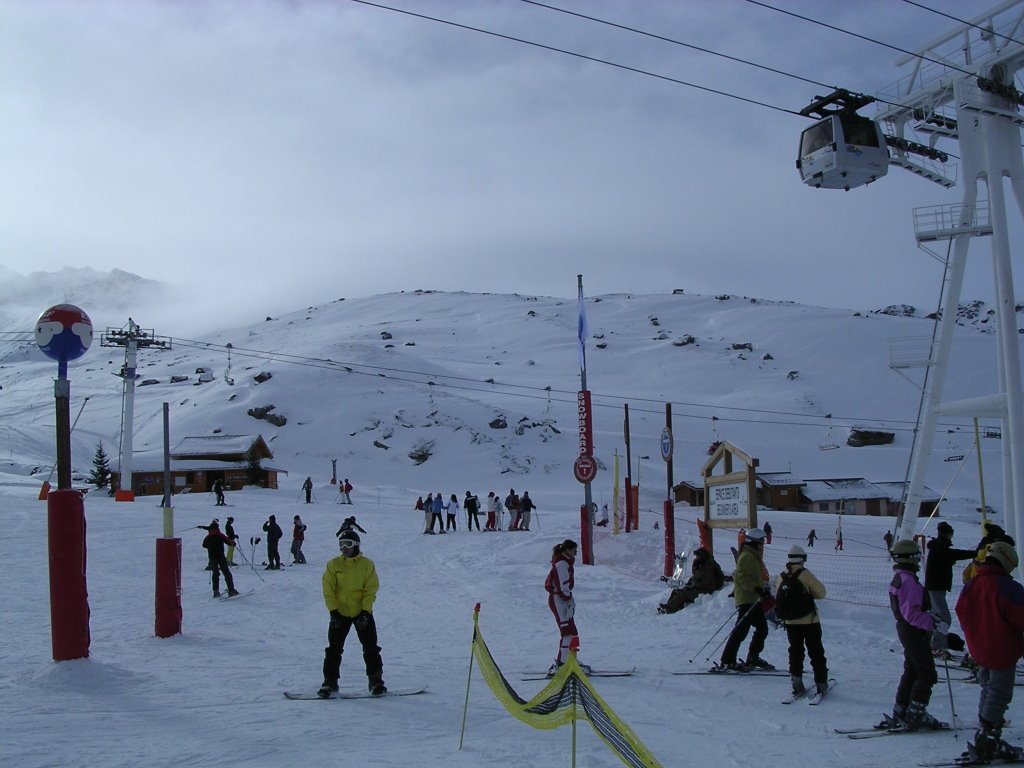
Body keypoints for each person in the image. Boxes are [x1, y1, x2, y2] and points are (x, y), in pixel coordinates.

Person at [956, 542, 1024, 760]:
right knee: (999, 693)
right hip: (1002, 648)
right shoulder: (1006, 587)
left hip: (979, 649)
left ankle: (984, 733)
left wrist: (974, 633)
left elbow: (961, 610)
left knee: (987, 688)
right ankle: (989, 740)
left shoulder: (972, 584)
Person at [317, 530, 387, 698]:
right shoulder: (333, 564)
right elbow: (328, 589)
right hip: (339, 613)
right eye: (341, 545)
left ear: (356, 545)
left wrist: (365, 611)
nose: (344, 548)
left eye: (348, 544)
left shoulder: (366, 565)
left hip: (361, 612)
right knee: (334, 649)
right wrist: (333, 611)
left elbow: (371, 589)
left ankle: (376, 681)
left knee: (371, 647)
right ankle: (330, 682)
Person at [887, 539, 945, 730]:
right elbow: (911, 613)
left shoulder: (900, 577)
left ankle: (901, 708)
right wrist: (933, 624)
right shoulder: (908, 580)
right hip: (913, 630)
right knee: (926, 670)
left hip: (906, 629)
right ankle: (917, 712)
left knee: (912, 668)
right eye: (916, 556)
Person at [774, 545, 829, 697]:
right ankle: (821, 683)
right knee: (816, 651)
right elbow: (822, 593)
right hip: (809, 620)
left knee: (795, 651)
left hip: (790, 622)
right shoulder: (805, 575)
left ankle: (796, 681)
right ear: (802, 558)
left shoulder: (781, 577)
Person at [717, 528, 774, 672]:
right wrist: (757, 589)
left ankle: (752, 657)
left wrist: (762, 588)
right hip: (747, 599)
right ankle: (728, 660)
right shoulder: (747, 556)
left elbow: (752, 577)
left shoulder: (753, 556)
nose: (763, 545)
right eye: (761, 542)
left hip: (752, 599)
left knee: (761, 629)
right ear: (754, 542)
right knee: (742, 631)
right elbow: (742, 577)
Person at [924, 522, 977, 648]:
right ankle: (937, 645)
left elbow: (951, 556)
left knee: (936, 617)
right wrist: (975, 553)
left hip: (936, 587)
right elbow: (955, 554)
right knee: (943, 618)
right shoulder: (939, 548)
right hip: (936, 587)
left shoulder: (938, 547)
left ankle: (930, 642)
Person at [545, 539, 590, 675]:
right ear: (567, 550)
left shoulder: (565, 562)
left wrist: (569, 599)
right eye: (574, 551)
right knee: (567, 632)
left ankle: (570, 659)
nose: (575, 554)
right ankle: (562, 663)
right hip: (558, 599)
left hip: (562, 598)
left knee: (572, 631)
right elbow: (561, 585)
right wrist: (568, 599)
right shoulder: (562, 564)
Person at [658, 547, 724, 614]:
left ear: (702, 557)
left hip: (704, 591)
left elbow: (704, 584)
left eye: (697, 556)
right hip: (697, 588)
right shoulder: (701, 565)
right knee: (676, 591)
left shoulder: (707, 568)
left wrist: (691, 586)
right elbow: (695, 577)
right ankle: (670, 606)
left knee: (683, 593)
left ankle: (669, 609)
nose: (696, 558)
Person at [202, 521, 239, 597]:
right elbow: (229, 542)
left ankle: (216, 591)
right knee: (226, 573)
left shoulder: (208, 537)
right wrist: (233, 543)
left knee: (215, 574)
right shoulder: (220, 535)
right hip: (220, 556)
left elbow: (204, 545)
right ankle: (231, 590)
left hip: (212, 558)